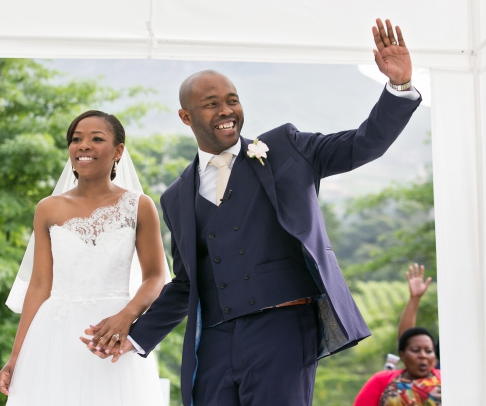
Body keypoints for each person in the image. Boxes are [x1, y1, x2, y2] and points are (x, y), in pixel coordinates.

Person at [83, 18, 422, 405]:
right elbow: (186, 282)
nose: (227, 110)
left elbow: (362, 145)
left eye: (233, 99)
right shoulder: (176, 196)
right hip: (213, 340)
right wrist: (137, 336)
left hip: (283, 331)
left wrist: (398, 87)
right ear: (186, 117)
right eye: (211, 104)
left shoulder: (286, 148)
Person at [0, 110, 168, 405]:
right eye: (76, 139)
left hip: (111, 334)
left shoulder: (139, 206)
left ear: (118, 151)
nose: (83, 145)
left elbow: (156, 276)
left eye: (96, 139)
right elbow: (39, 285)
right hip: (53, 335)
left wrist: (127, 316)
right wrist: (17, 356)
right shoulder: (47, 209)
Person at [354, 327, 441, 405]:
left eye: (428, 351)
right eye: (416, 350)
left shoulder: (447, 379)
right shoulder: (381, 380)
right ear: (402, 355)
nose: (423, 355)